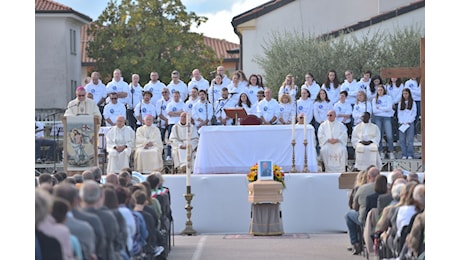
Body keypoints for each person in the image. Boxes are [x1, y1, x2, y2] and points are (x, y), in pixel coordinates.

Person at [344, 166, 380, 255]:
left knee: (348, 215)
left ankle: (355, 243)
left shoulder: (362, 188)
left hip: (364, 219)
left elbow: (354, 206)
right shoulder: (387, 188)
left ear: (368, 177)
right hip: (381, 219)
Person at [372, 84, 395, 159]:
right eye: (378, 90)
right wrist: (384, 109)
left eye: (381, 90)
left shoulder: (388, 97)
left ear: (384, 90)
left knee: (389, 135)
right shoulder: (374, 99)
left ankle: (391, 151)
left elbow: (389, 108)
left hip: (387, 118)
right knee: (379, 135)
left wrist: (380, 108)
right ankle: (380, 151)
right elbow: (374, 111)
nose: (380, 91)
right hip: (378, 117)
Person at [397, 88, 417, 159]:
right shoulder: (400, 103)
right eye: (403, 94)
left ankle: (410, 154)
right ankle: (404, 154)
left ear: (409, 94)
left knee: (410, 140)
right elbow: (399, 113)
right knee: (402, 140)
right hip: (402, 123)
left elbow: (414, 113)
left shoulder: (413, 103)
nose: (405, 95)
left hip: (409, 123)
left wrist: (409, 121)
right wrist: (402, 121)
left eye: (406, 93)